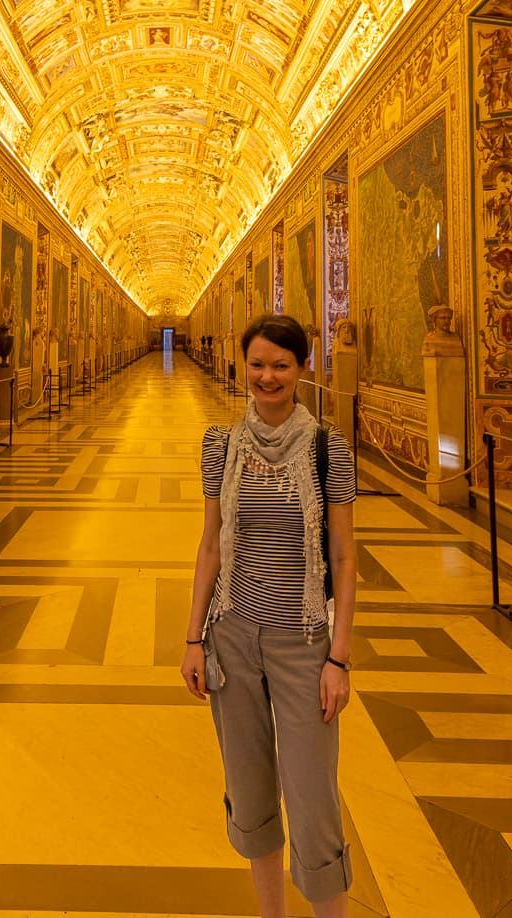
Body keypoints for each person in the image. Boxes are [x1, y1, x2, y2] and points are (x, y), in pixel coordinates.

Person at [182, 314, 357, 914]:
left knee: (313, 795)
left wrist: (339, 657)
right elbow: (211, 544)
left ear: (304, 369)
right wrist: (193, 639)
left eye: (281, 364)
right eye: (257, 363)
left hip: (304, 642)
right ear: (243, 366)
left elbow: (344, 556)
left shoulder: (329, 448)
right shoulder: (219, 445)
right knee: (250, 790)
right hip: (231, 637)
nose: (267, 376)